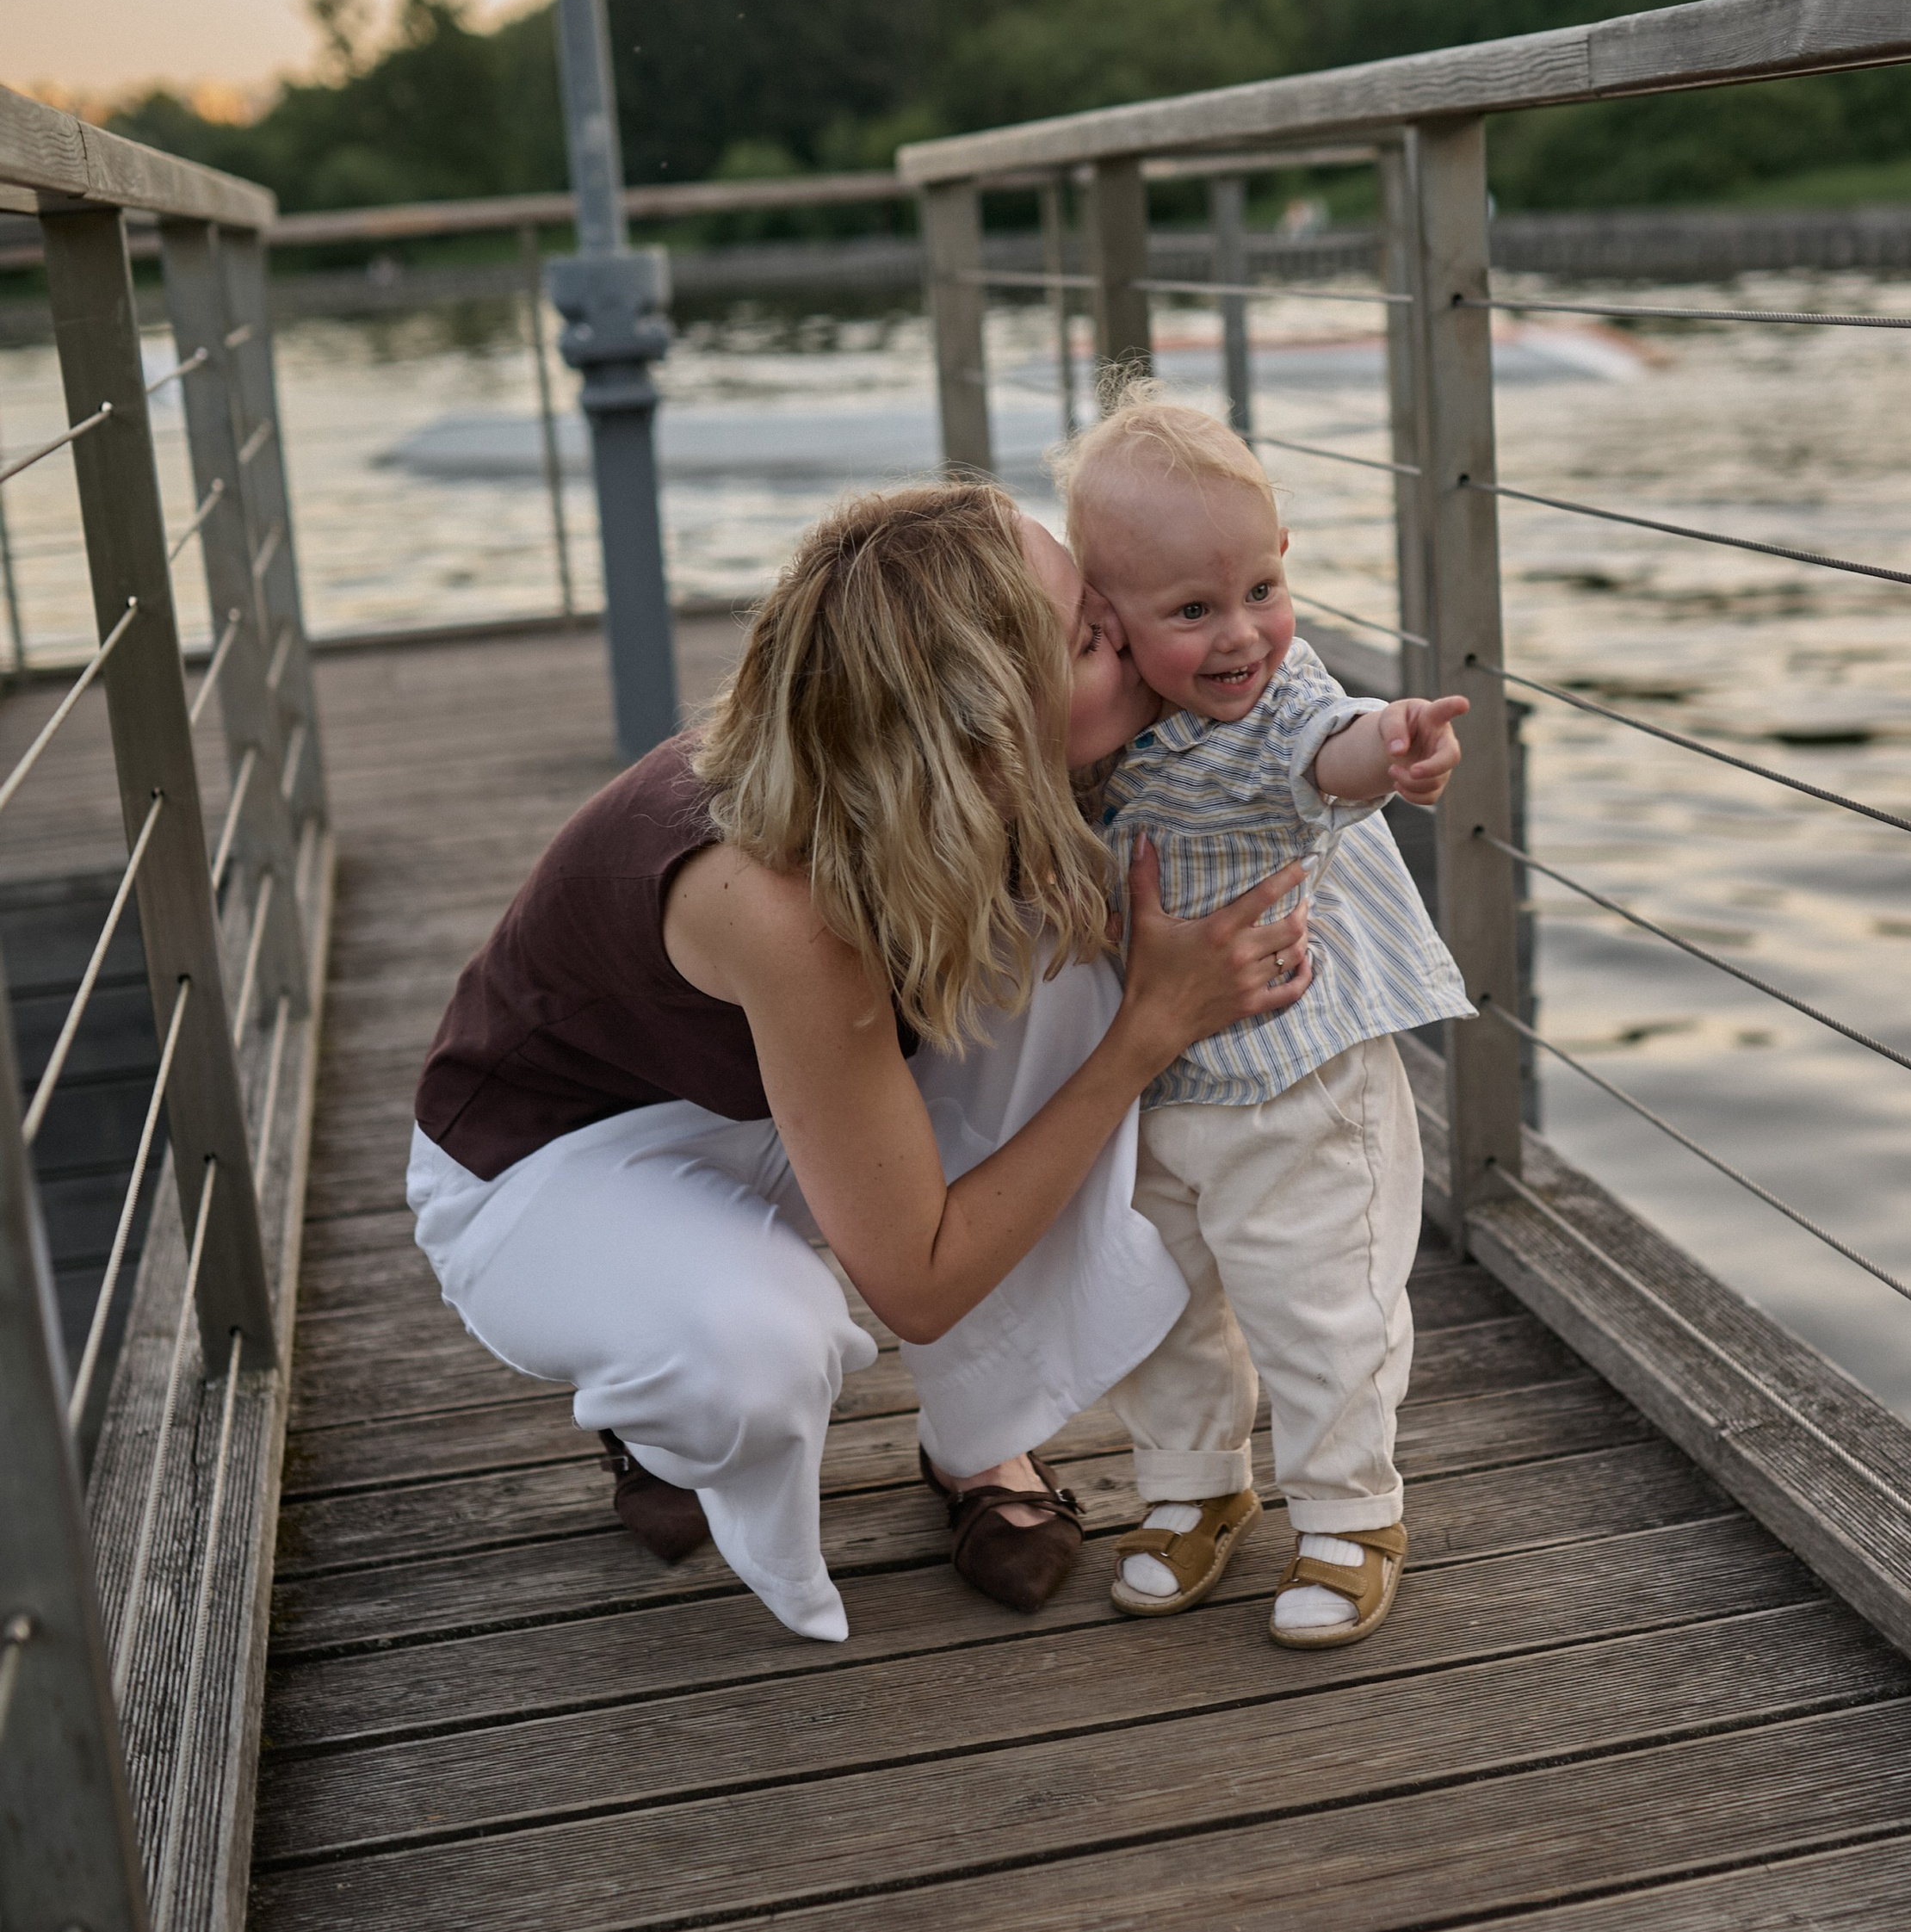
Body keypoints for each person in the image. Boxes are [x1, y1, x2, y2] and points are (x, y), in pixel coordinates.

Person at [405, 480, 1312, 1644]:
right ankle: (665, 1413)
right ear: (983, 729)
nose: (1134, 645)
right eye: (1091, 639)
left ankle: (980, 1441)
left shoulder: (915, 771)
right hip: (542, 1163)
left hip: (771, 1098)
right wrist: (1147, 1032)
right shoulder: (781, 901)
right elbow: (917, 1276)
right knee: (753, 1355)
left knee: (1066, 947)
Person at [1058, 393, 1470, 1650]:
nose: (1242, 632)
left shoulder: (1281, 693)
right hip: (1160, 1088)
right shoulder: (1099, 723)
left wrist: (1390, 745)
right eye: (1192, 609)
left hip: (1299, 1079)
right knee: (1161, 1299)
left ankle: (1353, 1511)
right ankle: (1194, 1487)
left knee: (1316, 1300)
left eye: (1263, 585)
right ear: (1104, 624)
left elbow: (1325, 748)